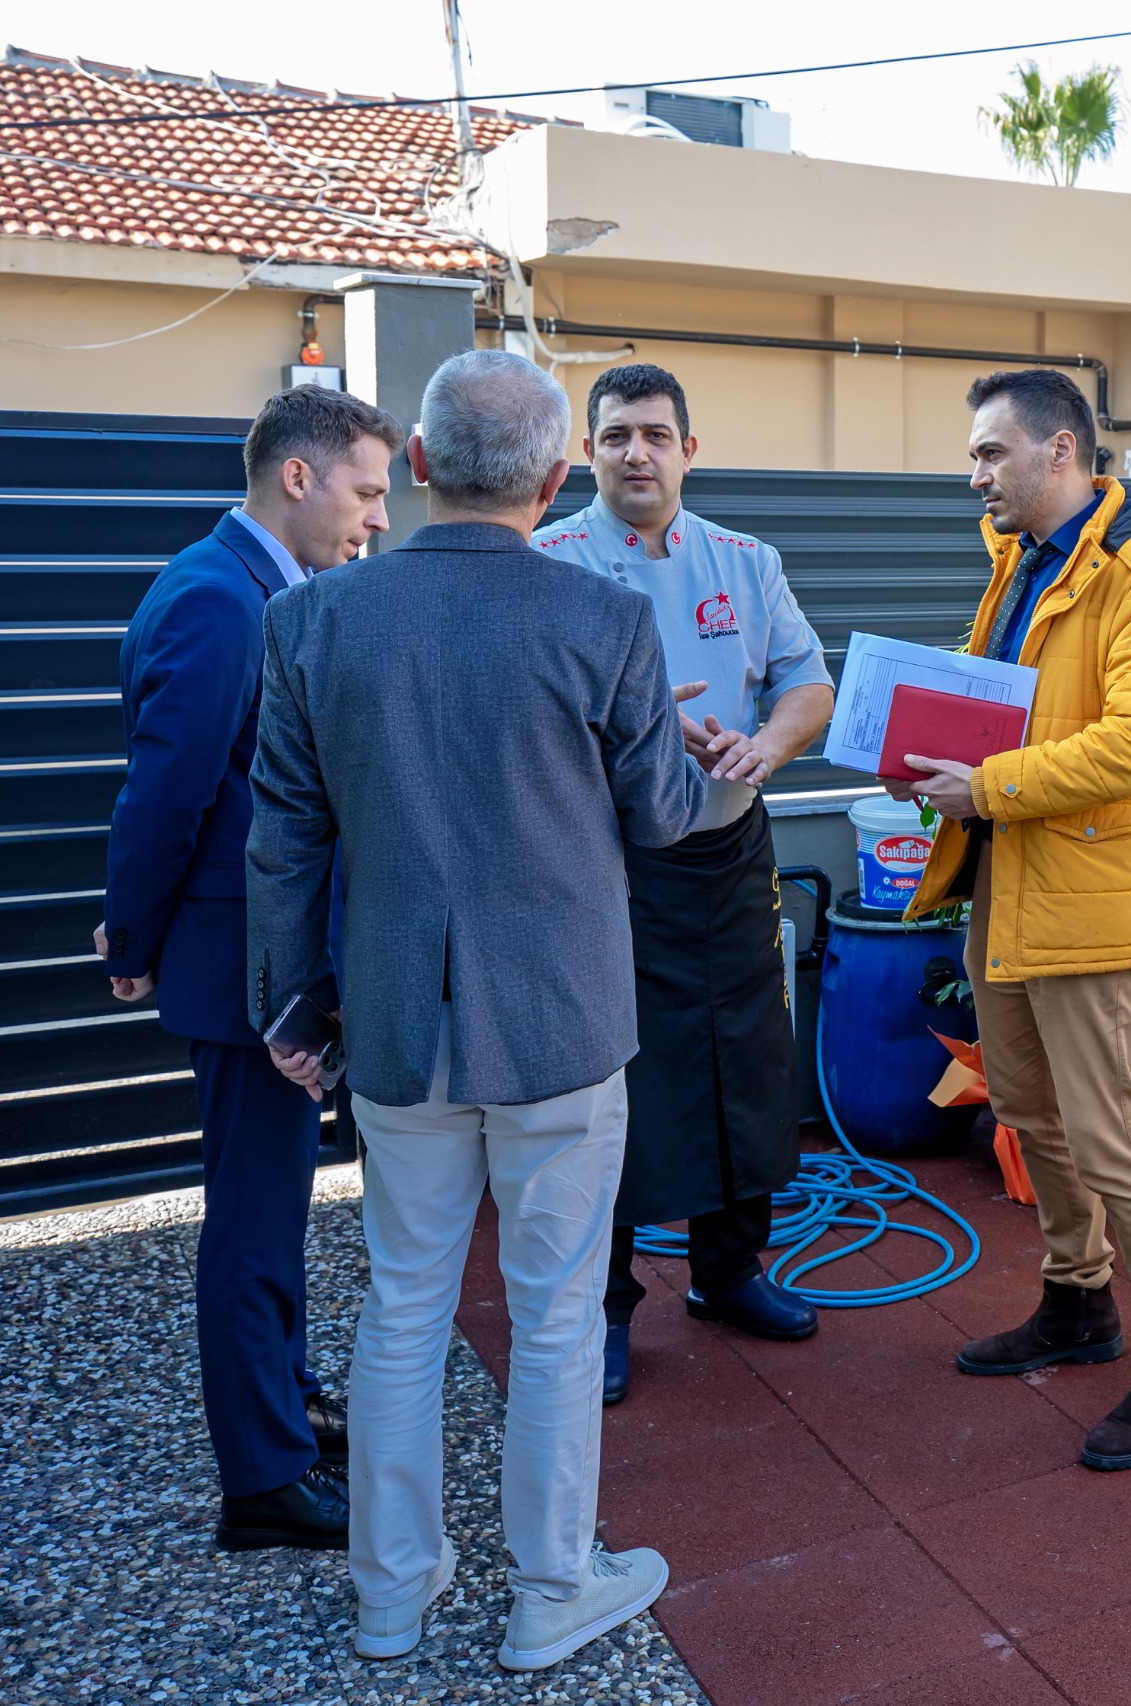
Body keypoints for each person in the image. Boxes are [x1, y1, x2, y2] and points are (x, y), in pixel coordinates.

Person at [247, 351, 718, 1671]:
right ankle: (548, 1587)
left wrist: (289, 1003)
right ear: (558, 480)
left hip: (393, 1018)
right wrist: (691, 751)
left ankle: (392, 1593)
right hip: (563, 1021)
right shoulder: (608, 622)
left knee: (403, 1300)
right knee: (556, 1309)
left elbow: (282, 838)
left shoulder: (310, 622)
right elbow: (664, 821)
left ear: (416, 465)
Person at [891, 368, 1131, 1472]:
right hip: (1011, 882)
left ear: (1060, 452)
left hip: (1093, 898)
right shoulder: (1025, 563)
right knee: (1030, 1108)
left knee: (1113, 1134)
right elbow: (1009, 715)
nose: (974, 472)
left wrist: (980, 786)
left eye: (990, 452)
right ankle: (1078, 1303)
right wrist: (927, 756)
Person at [99, 385, 398, 1552]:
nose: (375, 518)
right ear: (298, 477)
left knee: (273, 1207)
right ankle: (261, 1478)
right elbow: (166, 793)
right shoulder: (221, 601)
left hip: (269, 953)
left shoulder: (259, 585)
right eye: (367, 490)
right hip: (242, 961)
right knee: (254, 1217)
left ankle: (283, 1400)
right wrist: (133, 938)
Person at [533, 363, 835, 1399]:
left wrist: (764, 744)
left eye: (657, 434)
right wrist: (650, 728)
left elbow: (808, 683)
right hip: (613, 865)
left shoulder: (747, 561)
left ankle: (727, 1270)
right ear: (588, 452)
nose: (637, 453)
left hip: (729, 847)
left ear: (689, 450)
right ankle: (608, 1306)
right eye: (615, 435)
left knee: (744, 1063)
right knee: (619, 1082)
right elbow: (526, 727)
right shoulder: (548, 563)